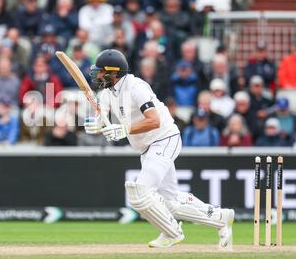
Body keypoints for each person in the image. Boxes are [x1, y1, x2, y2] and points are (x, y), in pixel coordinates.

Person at [84, 49, 234, 248]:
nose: (98, 76)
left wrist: (123, 129)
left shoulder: (137, 87)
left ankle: (172, 232)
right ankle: (221, 217)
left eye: (101, 72)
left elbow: (154, 120)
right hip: (147, 148)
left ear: (114, 72)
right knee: (170, 202)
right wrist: (97, 125)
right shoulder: (106, 94)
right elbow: (101, 116)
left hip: (164, 138)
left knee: (140, 192)